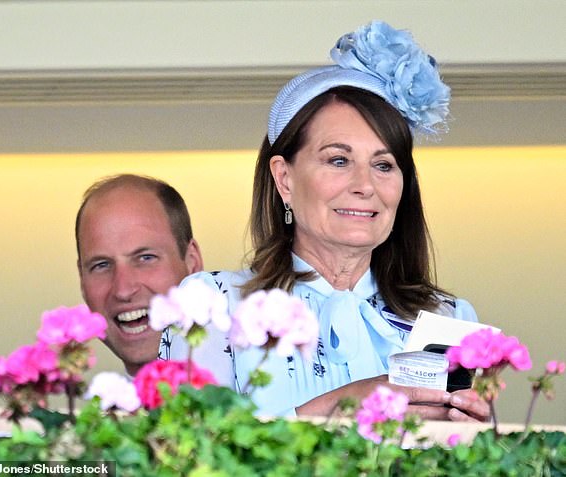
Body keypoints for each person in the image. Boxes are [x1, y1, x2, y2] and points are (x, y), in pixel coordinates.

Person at [174, 21, 489, 421]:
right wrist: (345, 404)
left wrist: (471, 437)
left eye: (383, 164)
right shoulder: (212, 304)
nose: (365, 185)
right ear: (284, 178)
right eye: (338, 160)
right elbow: (187, 456)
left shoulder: (450, 319)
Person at [76, 174, 204, 378]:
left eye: (145, 258)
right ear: (81, 280)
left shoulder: (256, 394)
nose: (123, 290)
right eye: (101, 265)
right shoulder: (103, 406)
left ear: (192, 263)